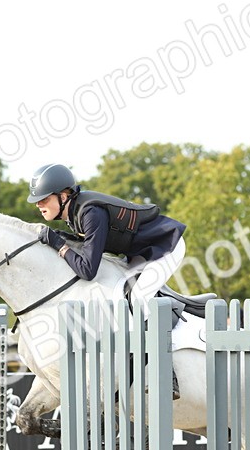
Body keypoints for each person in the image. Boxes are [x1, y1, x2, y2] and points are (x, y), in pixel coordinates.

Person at [27, 162, 187, 397]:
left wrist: (58, 245)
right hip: (140, 253)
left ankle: (166, 371)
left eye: (43, 199)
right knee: (118, 295)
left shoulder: (90, 212)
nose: (39, 205)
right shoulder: (74, 213)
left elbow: (88, 270)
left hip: (165, 247)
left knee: (139, 299)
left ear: (63, 196)